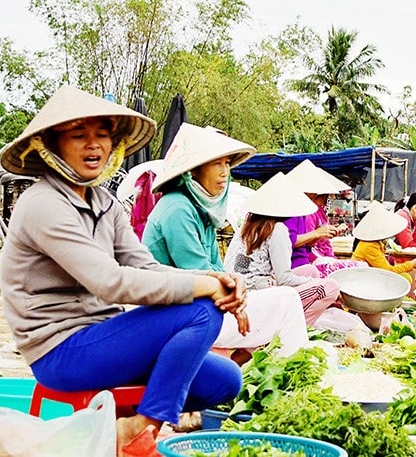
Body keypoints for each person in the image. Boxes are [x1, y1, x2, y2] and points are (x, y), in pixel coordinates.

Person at [0, 86, 245, 455]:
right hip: (62, 353)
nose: (93, 145)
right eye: (79, 135)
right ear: (51, 146)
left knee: (227, 379)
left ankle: (132, 421)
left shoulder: (104, 202)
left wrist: (215, 279)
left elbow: (144, 264)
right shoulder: (43, 205)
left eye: (102, 135)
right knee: (200, 310)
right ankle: (140, 425)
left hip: (105, 339)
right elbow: (110, 281)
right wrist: (202, 289)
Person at [143, 123, 310, 358]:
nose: (225, 172)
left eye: (227, 164)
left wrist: (236, 293)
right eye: (216, 164)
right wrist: (236, 302)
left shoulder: (201, 210)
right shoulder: (178, 209)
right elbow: (198, 274)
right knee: (288, 298)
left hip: (200, 305)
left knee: (283, 302)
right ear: (194, 170)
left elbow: (217, 268)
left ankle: (279, 367)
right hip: (174, 315)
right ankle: (292, 376)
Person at [225, 172, 340, 326]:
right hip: (256, 296)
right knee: (331, 287)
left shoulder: (249, 224)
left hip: (239, 289)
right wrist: (315, 281)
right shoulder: (277, 229)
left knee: (310, 270)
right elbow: (284, 279)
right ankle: (290, 327)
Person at [284, 159, 365, 276]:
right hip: (302, 264)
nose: (332, 198)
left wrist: (325, 233)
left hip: (306, 261)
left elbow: (309, 243)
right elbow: (291, 241)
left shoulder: (306, 212)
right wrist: (318, 233)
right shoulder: (297, 213)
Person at [352, 201, 416, 285]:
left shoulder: (377, 243)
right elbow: (388, 272)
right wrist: (414, 263)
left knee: (405, 276)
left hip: (369, 278)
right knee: (403, 278)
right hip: (362, 281)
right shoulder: (370, 246)